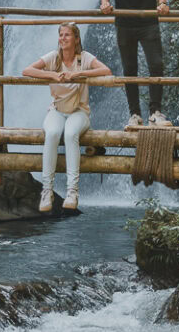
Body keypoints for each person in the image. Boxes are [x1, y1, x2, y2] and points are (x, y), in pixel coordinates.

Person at [22, 22, 112, 212]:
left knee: (71, 134)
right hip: (56, 110)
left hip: (79, 112)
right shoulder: (53, 58)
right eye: (61, 35)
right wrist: (52, 76)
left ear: (76, 39)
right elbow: (27, 70)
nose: (63, 38)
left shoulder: (85, 58)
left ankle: (73, 191)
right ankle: (47, 191)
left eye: (67, 35)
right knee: (53, 133)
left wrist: (80, 74)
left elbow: (106, 70)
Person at [99, 0, 171, 130]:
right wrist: (104, 2)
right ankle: (134, 114)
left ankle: (155, 112)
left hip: (147, 22)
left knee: (156, 64)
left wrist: (163, 3)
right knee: (129, 69)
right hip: (125, 23)